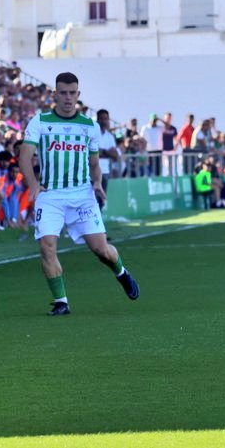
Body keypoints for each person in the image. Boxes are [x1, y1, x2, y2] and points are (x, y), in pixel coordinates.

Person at [18, 73, 139, 316]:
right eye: (63, 92)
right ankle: (61, 301)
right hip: (50, 195)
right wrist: (32, 184)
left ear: (78, 95)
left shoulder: (89, 126)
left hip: (82, 195)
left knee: (101, 250)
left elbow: (94, 163)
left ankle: (121, 273)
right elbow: (24, 156)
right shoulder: (40, 122)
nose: (67, 97)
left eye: (72, 93)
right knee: (46, 246)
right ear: (54, 94)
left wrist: (97, 183)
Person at [95, 109, 119, 199]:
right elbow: (94, 152)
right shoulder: (93, 134)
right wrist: (107, 152)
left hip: (105, 171)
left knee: (102, 199)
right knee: (93, 199)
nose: (104, 121)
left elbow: (115, 155)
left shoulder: (110, 136)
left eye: (106, 119)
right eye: (102, 118)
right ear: (97, 120)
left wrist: (103, 152)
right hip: (93, 171)